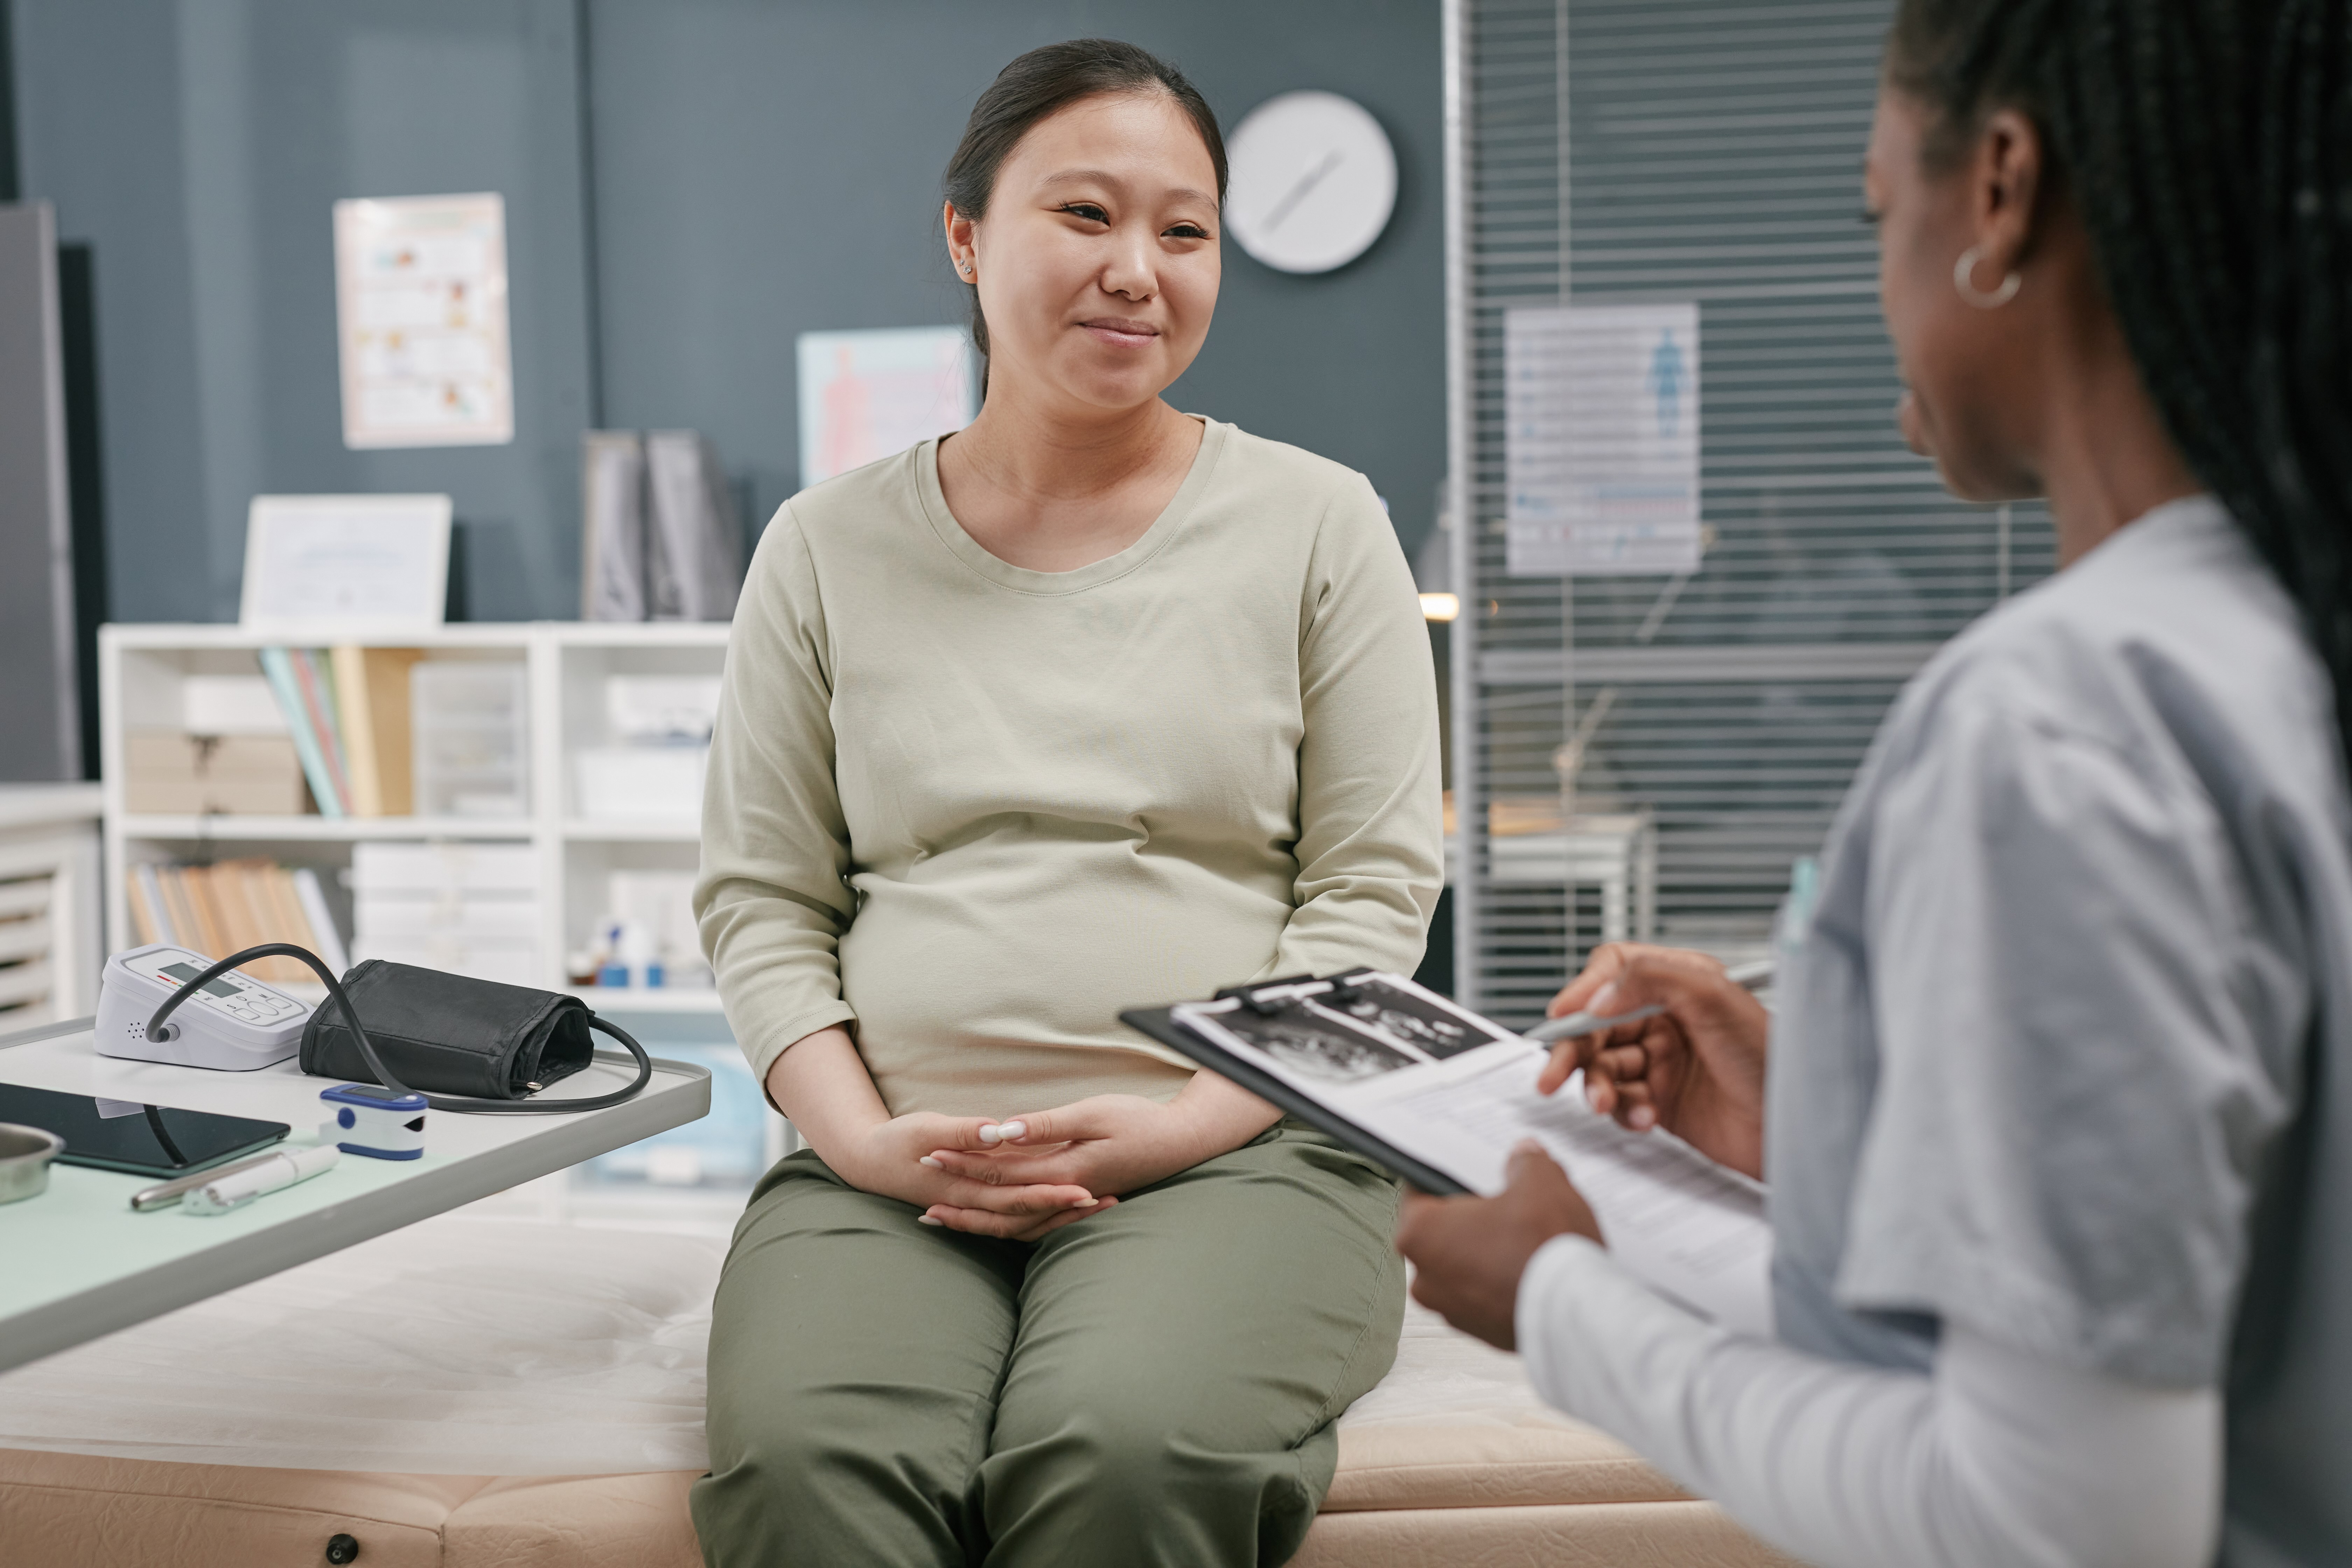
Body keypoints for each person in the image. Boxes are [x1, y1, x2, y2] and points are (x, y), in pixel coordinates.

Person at [1398, 0, 2352, 1564]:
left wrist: (1558, 1299)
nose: (1879, 290)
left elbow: (2055, 1526)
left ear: (1997, 189)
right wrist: (1834, 1138)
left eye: (1874, 212)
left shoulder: (2067, 720)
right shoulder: (2273, 641)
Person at [689, 38, 1441, 1567]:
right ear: (966, 237)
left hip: (1246, 1142)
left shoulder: (1319, 523)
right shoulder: (824, 546)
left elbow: (1369, 897)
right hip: (898, 1159)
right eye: (1085, 216)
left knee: (1117, 1450)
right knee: (813, 1458)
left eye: (1185, 230)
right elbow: (764, 899)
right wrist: (865, 1143)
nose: (1138, 271)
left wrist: (1180, 1126)